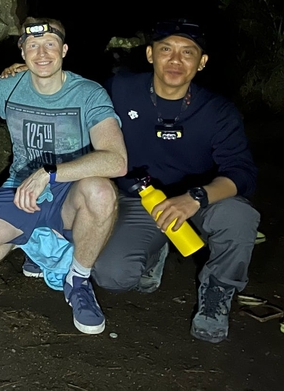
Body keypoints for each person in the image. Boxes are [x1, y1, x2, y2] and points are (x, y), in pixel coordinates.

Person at [0, 18, 127, 335]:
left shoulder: (88, 94)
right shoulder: (8, 87)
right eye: (33, 45)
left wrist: (51, 173)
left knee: (101, 192)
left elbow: (116, 160)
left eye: (50, 44)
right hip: (20, 188)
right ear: (22, 52)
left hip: (70, 192)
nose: (42, 52)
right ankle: (34, 242)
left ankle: (78, 278)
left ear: (64, 49)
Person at [91, 19, 259, 343]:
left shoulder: (218, 111)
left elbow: (242, 172)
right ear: (151, 54)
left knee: (240, 216)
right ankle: (155, 250)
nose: (176, 60)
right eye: (167, 49)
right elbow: (66, 96)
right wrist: (23, 71)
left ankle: (217, 295)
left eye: (188, 52)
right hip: (139, 199)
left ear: (202, 61)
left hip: (196, 199)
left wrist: (196, 196)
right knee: (111, 274)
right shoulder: (119, 89)